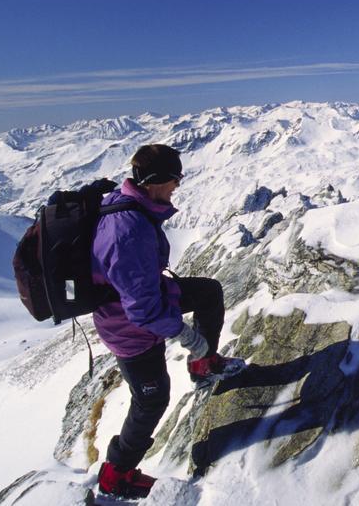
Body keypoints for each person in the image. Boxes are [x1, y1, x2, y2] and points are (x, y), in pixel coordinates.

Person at [91, 144, 245, 499]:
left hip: (146, 299)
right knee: (151, 400)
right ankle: (117, 474)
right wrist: (187, 336)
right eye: (175, 178)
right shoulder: (128, 232)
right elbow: (142, 312)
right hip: (128, 328)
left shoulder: (131, 205)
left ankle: (204, 366)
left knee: (208, 292)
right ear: (156, 181)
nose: (178, 185)